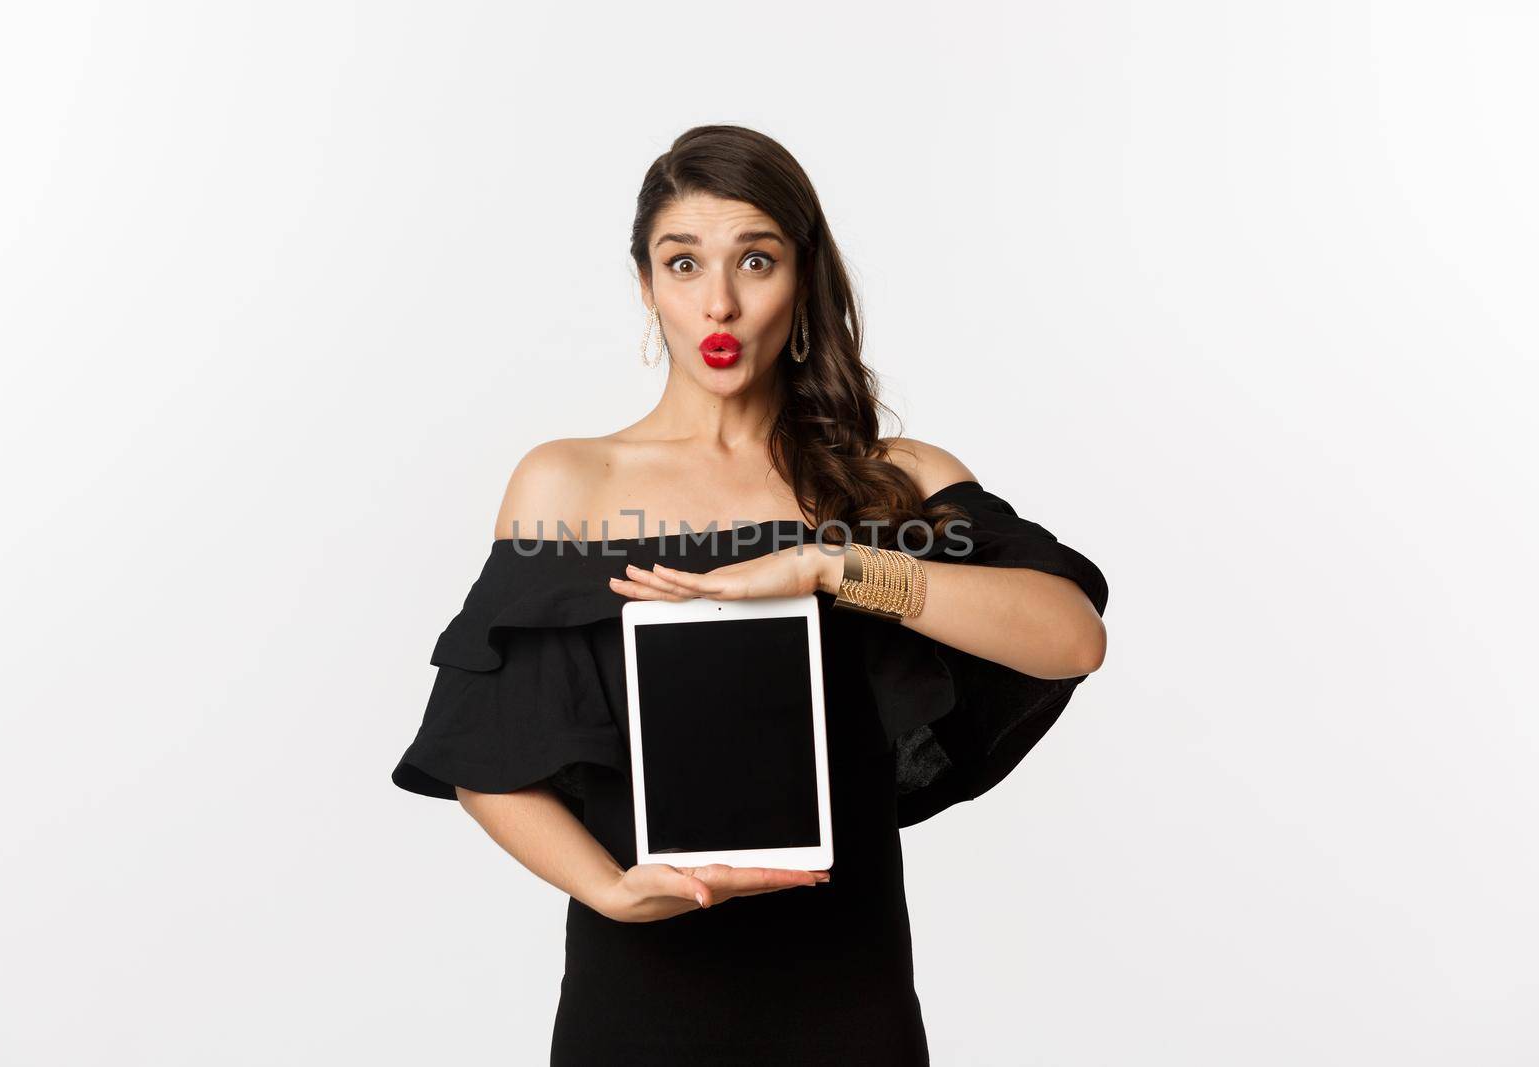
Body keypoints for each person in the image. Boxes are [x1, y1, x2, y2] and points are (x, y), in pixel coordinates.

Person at [390, 124, 1110, 1065]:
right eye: (682, 264)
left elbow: (1071, 636)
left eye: (755, 260)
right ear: (647, 286)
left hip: (845, 986)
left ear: (803, 279)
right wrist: (609, 889)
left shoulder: (894, 480)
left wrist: (829, 566)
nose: (718, 302)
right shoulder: (569, 484)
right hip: (641, 986)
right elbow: (483, 746)